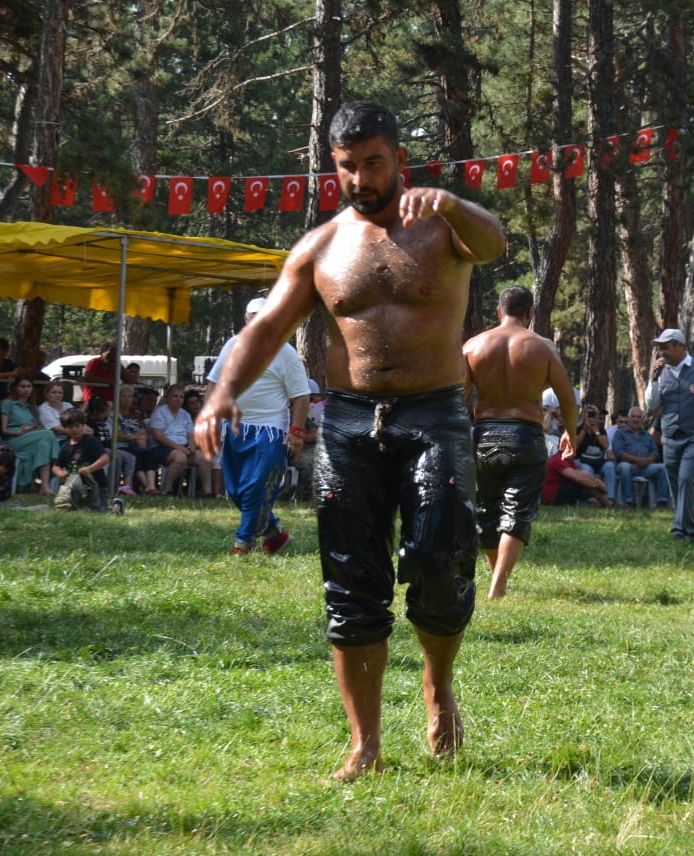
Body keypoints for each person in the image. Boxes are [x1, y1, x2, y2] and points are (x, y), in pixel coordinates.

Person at [191, 99, 503, 781]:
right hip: (350, 422)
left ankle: (438, 681)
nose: (360, 178)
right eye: (346, 167)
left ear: (398, 160)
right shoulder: (320, 247)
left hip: (436, 413)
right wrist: (219, 394)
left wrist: (450, 204)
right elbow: (266, 329)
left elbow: (496, 243)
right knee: (351, 582)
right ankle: (365, 744)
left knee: (441, 559)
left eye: (373, 163)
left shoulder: (441, 228)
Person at [462, 285, 575, 598]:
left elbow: (456, 397)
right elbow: (567, 398)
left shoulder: (473, 345)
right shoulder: (543, 348)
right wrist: (571, 433)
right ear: (529, 314)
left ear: (498, 312)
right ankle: (498, 585)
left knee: (486, 510)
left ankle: (497, 580)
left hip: (484, 434)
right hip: (525, 434)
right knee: (518, 511)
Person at [207, 296, 310, 555]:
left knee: (256, 487)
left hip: (270, 430)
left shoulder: (285, 353)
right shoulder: (232, 345)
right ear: (246, 319)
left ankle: (243, 543)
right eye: (253, 316)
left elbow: (301, 395)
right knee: (236, 492)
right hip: (235, 427)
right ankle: (274, 534)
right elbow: (214, 383)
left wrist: (296, 432)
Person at [644, 327, 694, 542]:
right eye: (659, 348)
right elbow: (651, 404)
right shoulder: (661, 374)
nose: (662, 353)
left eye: (666, 347)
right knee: (675, 483)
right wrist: (652, 380)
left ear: (680, 346)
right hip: (670, 436)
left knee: (686, 478)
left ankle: (679, 528)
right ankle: (689, 529)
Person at [0, 377, 59, 492]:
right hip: (13, 439)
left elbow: (34, 427)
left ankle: (44, 486)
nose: (26, 389)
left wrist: (32, 429)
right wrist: (19, 432)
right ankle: (59, 461)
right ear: (16, 388)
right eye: (22, 386)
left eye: (29, 386)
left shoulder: (32, 407)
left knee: (44, 445)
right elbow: (3, 430)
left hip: (30, 438)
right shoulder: (8, 403)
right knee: (48, 434)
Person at [149, 385, 207, 495]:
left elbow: (190, 435)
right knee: (180, 458)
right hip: (161, 448)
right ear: (168, 398)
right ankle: (167, 490)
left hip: (183, 447)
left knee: (203, 458)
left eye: (181, 397)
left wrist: (192, 446)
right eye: (175, 396)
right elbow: (158, 436)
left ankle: (207, 492)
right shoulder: (160, 412)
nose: (178, 399)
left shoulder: (185, 414)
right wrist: (179, 448)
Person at [52, 407, 110, 512]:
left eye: (77, 426)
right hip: (75, 488)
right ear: (64, 428)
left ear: (83, 426)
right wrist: (60, 473)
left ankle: (117, 507)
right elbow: (56, 466)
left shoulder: (90, 441)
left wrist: (90, 469)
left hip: (97, 485)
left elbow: (105, 458)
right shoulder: (65, 447)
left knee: (98, 511)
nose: (74, 429)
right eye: (70, 427)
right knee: (71, 510)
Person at [611, 406, 669, 507]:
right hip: (627, 465)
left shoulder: (647, 435)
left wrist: (645, 461)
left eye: (638, 417)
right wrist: (638, 461)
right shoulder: (620, 434)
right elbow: (620, 453)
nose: (636, 419)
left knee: (662, 468)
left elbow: (655, 454)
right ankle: (629, 502)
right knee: (625, 467)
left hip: (645, 467)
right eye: (633, 417)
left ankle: (662, 501)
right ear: (629, 418)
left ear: (642, 420)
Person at [541, 446, 611, 507]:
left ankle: (605, 502)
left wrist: (598, 482)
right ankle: (606, 502)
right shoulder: (557, 460)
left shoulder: (568, 460)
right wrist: (599, 486)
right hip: (552, 498)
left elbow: (582, 474)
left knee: (584, 474)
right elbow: (578, 478)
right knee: (580, 479)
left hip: (561, 493)